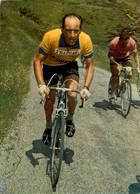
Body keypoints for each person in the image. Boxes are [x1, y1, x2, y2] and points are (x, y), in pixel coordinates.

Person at [33, 13, 94, 144]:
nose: (72, 35)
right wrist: (41, 85)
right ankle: (48, 126)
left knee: (72, 94)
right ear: (62, 29)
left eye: (76, 31)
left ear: (81, 30)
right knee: (49, 98)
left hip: (69, 65)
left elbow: (90, 65)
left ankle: (70, 119)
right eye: (68, 30)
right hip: (50, 66)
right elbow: (37, 60)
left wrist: (86, 87)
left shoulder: (85, 40)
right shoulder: (50, 37)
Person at [108, 29, 140, 101]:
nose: (125, 45)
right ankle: (112, 93)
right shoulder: (114, 43)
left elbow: (135, 55)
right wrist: (117, 64)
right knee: (115, 74)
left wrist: (138, 66)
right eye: (123, 43)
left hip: (125, 57)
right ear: (120, 40)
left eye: (126, 43)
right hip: (115, 58)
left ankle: (121, 84)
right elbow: (109, 56)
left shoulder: (132, 42)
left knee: (130, 73)